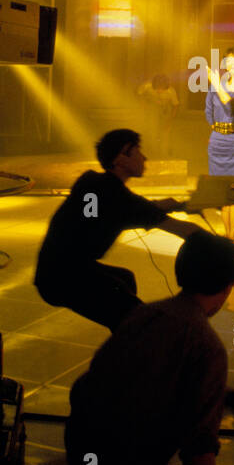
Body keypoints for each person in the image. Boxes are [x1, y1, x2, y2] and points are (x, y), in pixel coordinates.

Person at [65, 231, 234, 465]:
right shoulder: (208, 347)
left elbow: (87, 385)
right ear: (228, 286)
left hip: (80, 454)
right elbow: (199, 448)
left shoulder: (142, 314)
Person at [34, 129, 201, 331]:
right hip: (64, 279)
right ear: (121, 158)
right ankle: (127, 339)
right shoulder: (119, 199)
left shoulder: (91, 181)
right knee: (142, 323)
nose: (144, 157)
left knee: (124, 279)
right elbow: (181, 229)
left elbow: (110, 209)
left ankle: (123, 332)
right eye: (138, 151)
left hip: (55, 269)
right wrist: (225, 247)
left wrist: (171, 205)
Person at [205, 47, 234, 239]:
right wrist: (217, 131)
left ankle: (232, 235)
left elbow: (233, 108)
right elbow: (209, 111)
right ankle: (227, 235)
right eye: (228, 61)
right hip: (218, 142)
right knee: (223, 192)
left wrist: (217, 83)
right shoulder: (215, 88)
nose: (231, 64)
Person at [135, 73, 179, 159]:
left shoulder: (171, 91)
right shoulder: (147, 87)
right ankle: (150, 149)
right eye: (158, 86)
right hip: (152, 109)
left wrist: (170, 119)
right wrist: (143, 104)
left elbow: (175, 105)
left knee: (165, 131)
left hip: (165, 110)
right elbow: (138, 93)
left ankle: (164, 152)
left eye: (162, 87)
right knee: (151, 128)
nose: (159, 89)